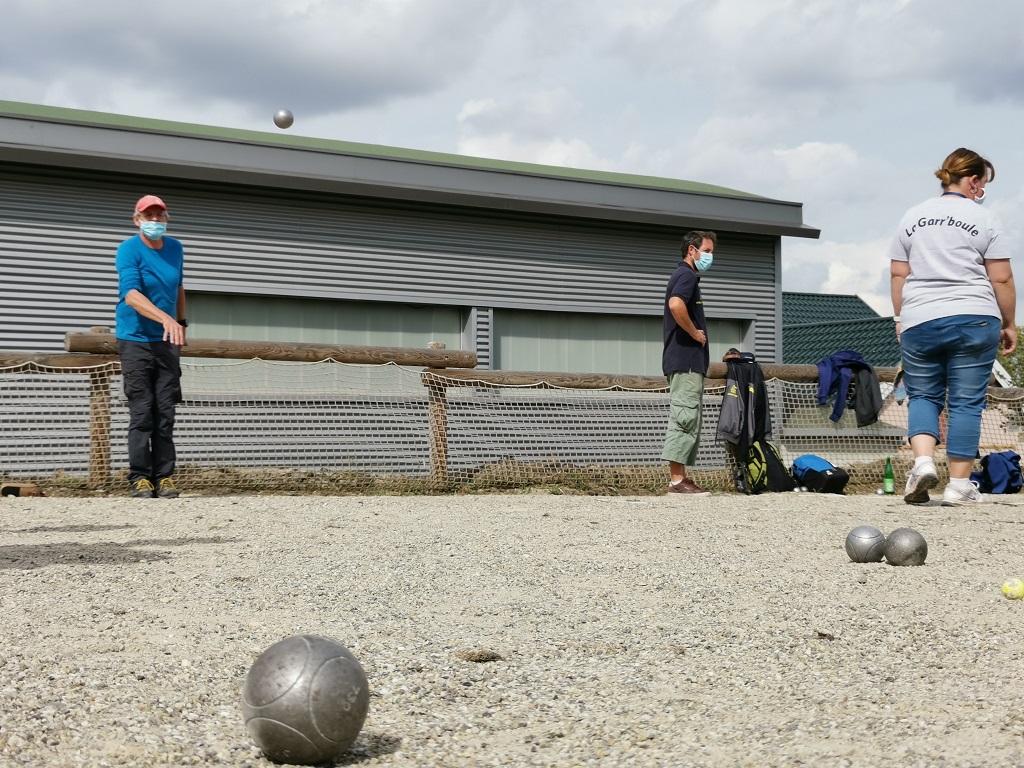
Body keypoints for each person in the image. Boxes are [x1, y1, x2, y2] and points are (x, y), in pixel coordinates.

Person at [889, 148, 1016, 506]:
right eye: (983, 183)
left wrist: (901, 318)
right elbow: (1002, 278)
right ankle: (959, 486)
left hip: (920, 318)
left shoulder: (912, 217)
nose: (982, 190)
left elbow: (899, 273)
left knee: (924, 394)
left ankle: (924, 461)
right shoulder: (985, 218)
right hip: (974, 316)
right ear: (973, 180)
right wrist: (1010, 324)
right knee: (965, 402)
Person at [115, 195, 188, 498]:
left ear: (166, 219)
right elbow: (131, 295)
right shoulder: (128, 249)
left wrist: (180, 322)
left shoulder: (175, 249)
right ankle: (140, 477)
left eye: (159, 215)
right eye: (148, 215)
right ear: (137, 220)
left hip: (167, 341)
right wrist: (165, 319)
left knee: (166, 410)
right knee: (142, 411)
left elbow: (179, 286)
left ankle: (165, 477)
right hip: (135, 340)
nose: (154, 220)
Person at [661, 230, 717, 495]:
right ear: (692, 251)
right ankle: (676, 481)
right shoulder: (685, 275)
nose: (710, 256)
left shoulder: (688, 277)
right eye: (706, 251)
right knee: (684, 417)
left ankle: (681, 478)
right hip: (685, 361)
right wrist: (695, 332)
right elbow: (675, 304)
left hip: (688, 363)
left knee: (689, 417)